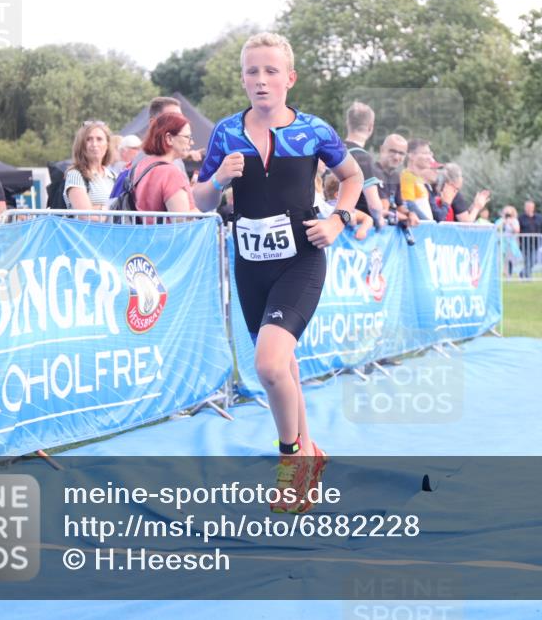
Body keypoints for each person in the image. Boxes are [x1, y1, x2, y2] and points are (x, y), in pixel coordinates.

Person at [192, 32, 363, 514]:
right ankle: (311, 453)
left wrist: (338, 219)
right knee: (282, 365)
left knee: (267, 365)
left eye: (271, 71)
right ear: (243, 79)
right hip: (249, 264)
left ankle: (292, 465)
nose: (261, 80)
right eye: (252, 71)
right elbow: (201, 200)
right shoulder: (226, 133)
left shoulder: (312, 130)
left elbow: (352, 178)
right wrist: (219, 179)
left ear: (290, 78)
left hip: (301, 259)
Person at [132, 112, 199, 220]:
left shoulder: (142, 165)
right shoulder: (170, 173)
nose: (191, 142)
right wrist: (204, 216)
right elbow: (182, 221)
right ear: (169, 138)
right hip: (166, 236)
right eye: (187, 137)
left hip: (145, 235)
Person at [343, 101, 385, 227]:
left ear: (348, 124)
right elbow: (374, 205)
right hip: (355, 228)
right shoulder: (362, 157)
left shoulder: (333, 150)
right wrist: (379, 220)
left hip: (332, 222)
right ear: (371, 127)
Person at [64, 121, 118, 216]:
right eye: (88, 139)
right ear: (81, 145)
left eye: (99, 139)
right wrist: (112, 210)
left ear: (107, 145)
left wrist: (99, 209)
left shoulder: (114, 176)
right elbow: (86, 216)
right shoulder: (75, 175)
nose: (94, 144)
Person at [400, 139, 437, 222]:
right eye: (425, 153)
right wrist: (430, 224)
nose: (430, 157)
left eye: (430, 153)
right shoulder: (407, 177)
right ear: (411, 155)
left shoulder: (418, 179)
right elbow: (409, 205)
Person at [495, 206, 524, 276]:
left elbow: (517, 231)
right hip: (501, 242)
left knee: (511, 259)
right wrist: (503, 223)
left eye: (509, 211)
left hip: (511, 243)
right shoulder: (499, 221)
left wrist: (510, 224)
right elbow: (496, 229)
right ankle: (501, 273)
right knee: (501, 258)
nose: (507, 213)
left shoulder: (514, 221)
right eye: (505, 211)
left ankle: (510, 274)